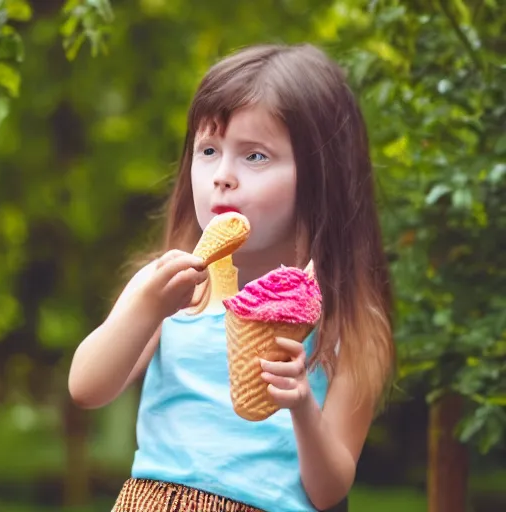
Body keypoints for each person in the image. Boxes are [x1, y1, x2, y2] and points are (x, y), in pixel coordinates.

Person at [68, 43, 395, 512]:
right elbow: (86, 388)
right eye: (208, 150)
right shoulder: (174, 289)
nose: (222, 176)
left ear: (321, 179)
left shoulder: (351, 325)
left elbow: (329, 491)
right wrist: (146, 307)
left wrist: (302, 407)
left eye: (255, 156)